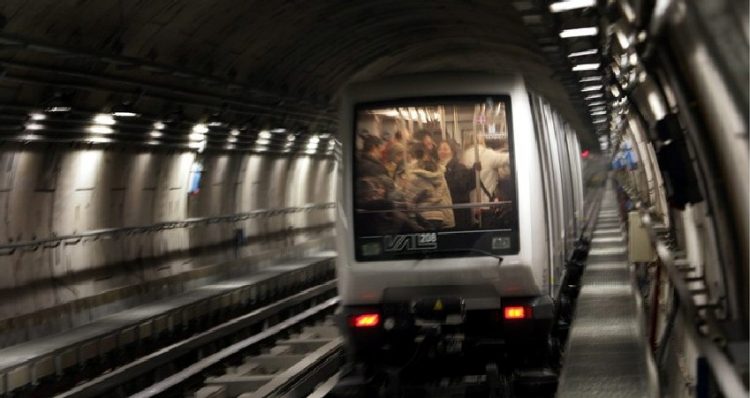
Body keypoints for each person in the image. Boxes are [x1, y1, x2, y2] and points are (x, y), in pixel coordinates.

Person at [403, 142, 455, 230]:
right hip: (441, 215)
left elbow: (409, 201)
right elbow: (446, 197)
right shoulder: (440, 175)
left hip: (422, 217)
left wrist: (411, 219)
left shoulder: (416, 177)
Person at [438, 139, 476, 229]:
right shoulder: (436, 167)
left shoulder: (459, 167)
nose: (442, 151)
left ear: (452, 151)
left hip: (457, 208)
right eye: (440, 149)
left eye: (445, 149)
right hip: (444, 208)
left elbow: (461, 186)